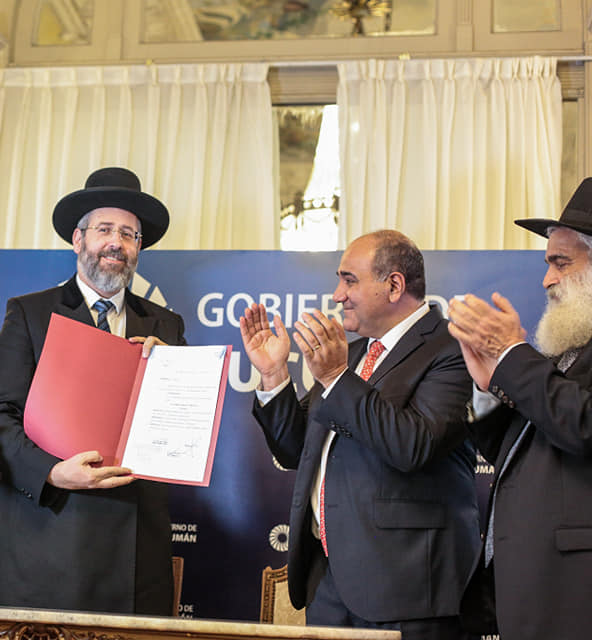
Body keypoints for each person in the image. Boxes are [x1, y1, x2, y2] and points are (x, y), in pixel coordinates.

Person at [239, 229, 478, 640]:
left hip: (407, 591)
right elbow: (298, 450)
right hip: (331, 584)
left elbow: (413, 445)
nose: (336, 295)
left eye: (350, 280)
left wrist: (335, 377)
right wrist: (274, 373)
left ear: (394, 285)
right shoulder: (353, 356)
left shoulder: (452, 349)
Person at [0, 167, 184, 615]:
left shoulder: (166, 326)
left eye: (129, 234)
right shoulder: (30, 314)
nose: (117, 242)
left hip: (134, 554)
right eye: (105, 229)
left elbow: (183, 431)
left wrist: (172, 374)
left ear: (138, 249)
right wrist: (51, 472)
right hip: (48, 534)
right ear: (78, 239)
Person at [448, 178, 592, 640]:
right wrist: (490, 387)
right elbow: (517, 451)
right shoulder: (567, 348)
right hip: (530, 589)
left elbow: (584, 425)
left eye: (560, 263)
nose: (547, 279)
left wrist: (513, 355)